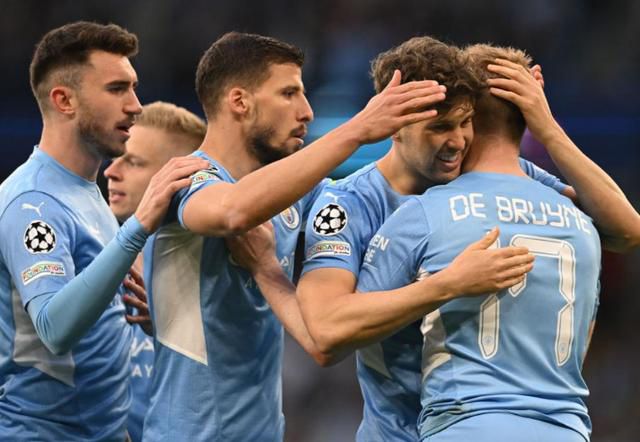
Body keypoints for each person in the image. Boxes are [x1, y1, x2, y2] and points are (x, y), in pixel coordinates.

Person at [141, 31, 452, 442]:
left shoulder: (302, 195)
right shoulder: (189, 178)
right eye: (289, 93)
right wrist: (357, 129)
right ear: (240, 101)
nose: (306, 111)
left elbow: (324, 340)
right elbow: (232, 211)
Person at [358, 44, 640, 442]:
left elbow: (342, 326)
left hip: (463, 426)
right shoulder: (583, 225)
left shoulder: (424, 214)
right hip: (567, 430)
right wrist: (548, 126)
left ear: (466, 114)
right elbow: (630, 231)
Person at [0, 22, 208, 440]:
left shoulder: (86, 191)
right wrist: (138, 226)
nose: (135, 105)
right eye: (117, 89)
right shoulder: (32, 202)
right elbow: (55, 329)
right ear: (64, 100)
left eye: (133, 87)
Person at [104, 101, 207, 442]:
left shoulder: (221, 275)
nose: (111, 171)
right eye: (118, 156)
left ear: (178, 178)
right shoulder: (93, 265)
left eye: (133, 162)